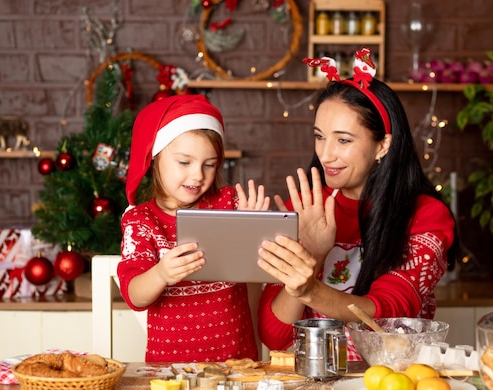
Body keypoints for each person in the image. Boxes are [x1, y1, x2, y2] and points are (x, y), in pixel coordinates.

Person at [256, 49, 458, 361]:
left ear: (383, 145)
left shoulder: (426, 215)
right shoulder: (308, 208)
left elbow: (389, 317)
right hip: (315, 388)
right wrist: (314, 254)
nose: (325, 155)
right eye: (319, 137)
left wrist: (309, 285)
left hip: (392, 386)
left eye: (344, 140)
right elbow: (276, 336)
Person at [117, 94, 270, 362]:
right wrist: (161, 273)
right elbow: (135, 295)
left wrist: (256, 230)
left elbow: (261, 266)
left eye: (209, 164)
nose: (198, 175)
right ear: (155, 158)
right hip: (171, 369)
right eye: (184, 162)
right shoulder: (141, 221)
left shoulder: (228, 203)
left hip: (236, 362)